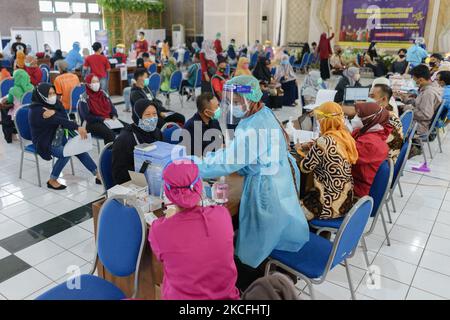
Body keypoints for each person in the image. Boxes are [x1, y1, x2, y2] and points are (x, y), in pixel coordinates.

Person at [193, 75, 309, 269]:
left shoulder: (255, 127)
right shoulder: (263, 113)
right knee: (276, 229)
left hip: (266, 189)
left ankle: (255, 273)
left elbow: (227, 162)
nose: (233, 107)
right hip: (279, 179)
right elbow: (241, 152)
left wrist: (194, 167)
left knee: (259, 241)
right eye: (230, 102)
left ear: (252, 98)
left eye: (237, 102)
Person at [149, 159, 240, 300]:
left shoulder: (159, 231)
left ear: (167, 192)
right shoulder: (222, 215)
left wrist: (170, 220)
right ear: (199, 186)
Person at [28, 83, 100, 190]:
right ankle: (52, 180)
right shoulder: (36, 110)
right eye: (49, 94)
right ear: (41, 95)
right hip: (45, 140)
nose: (53, 96)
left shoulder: (54, 104)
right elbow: (58, 120)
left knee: (79, 149)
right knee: (66, 154)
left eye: (53, 93)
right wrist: (77, 127)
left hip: (59, 135)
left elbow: (64, 117)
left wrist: (55, 112)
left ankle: (97, 174)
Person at [296, 102, 358, 221]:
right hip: (345, 201)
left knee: (290, 211)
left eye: (320, 120)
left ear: (326, 121)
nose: (319, 123)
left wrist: (302, 149)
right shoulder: (345, 136)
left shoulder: (324, 141)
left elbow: (305, 167)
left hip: (328, 204)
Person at [112, 99, 162, 185]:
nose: (152, 118)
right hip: (134, 184)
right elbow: (119, 176)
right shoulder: (124, 140)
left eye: (154, 114)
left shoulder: (157, 132)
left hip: (155, 178)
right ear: (137, 117)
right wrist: (143, 167)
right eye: (147, 115)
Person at [352, 102, 391, 198]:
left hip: (360, 188)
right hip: (361, 179)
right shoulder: (377, 133)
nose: (355, 117)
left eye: (359, 115)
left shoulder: (369, 143)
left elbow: (344, 156)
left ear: (369, 120)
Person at [78, 74, 123, 145]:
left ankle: (123, 151)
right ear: (88, 84)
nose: (96, 84)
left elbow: (112, 108)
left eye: (97, 81)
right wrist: (102, 119)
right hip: (92, 123)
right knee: (110, 134)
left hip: (108, 120)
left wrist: (114, 116)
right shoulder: (84, 97)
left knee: (127, 128)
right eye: (93, 82)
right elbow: (87, 117)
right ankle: (110, 154)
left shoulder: (103, 94)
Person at [401, 65, 443, 135]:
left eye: (414, 79)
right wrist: (406, 100)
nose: (414, 82)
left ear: (421, 80)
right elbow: (420, 103)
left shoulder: (428, 93)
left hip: (419, 125)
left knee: (391, 122)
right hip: (418, 121)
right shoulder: (429, 88)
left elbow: (425, 115)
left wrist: (407, 108)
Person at [370, 84, 404, 164]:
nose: (368, 99)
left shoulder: (387, 120)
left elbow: (373, 145)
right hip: (384, 159)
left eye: (372, 96)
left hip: (384, 164)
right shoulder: (388, 112)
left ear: (384, 99)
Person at [183, 93, 224, 157]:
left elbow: (222, 141)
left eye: (218, 105)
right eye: (216, 107)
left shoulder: (214, 121)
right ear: (206, 112)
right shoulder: (191, 128)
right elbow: (196, 156)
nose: (219, 109)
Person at [0, 69, 33, 143]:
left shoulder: (13, 89)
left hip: (17, 113)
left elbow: (10, 101)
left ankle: (9, 137)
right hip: (29, 111)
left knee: (4, 110)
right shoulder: (32, 87)